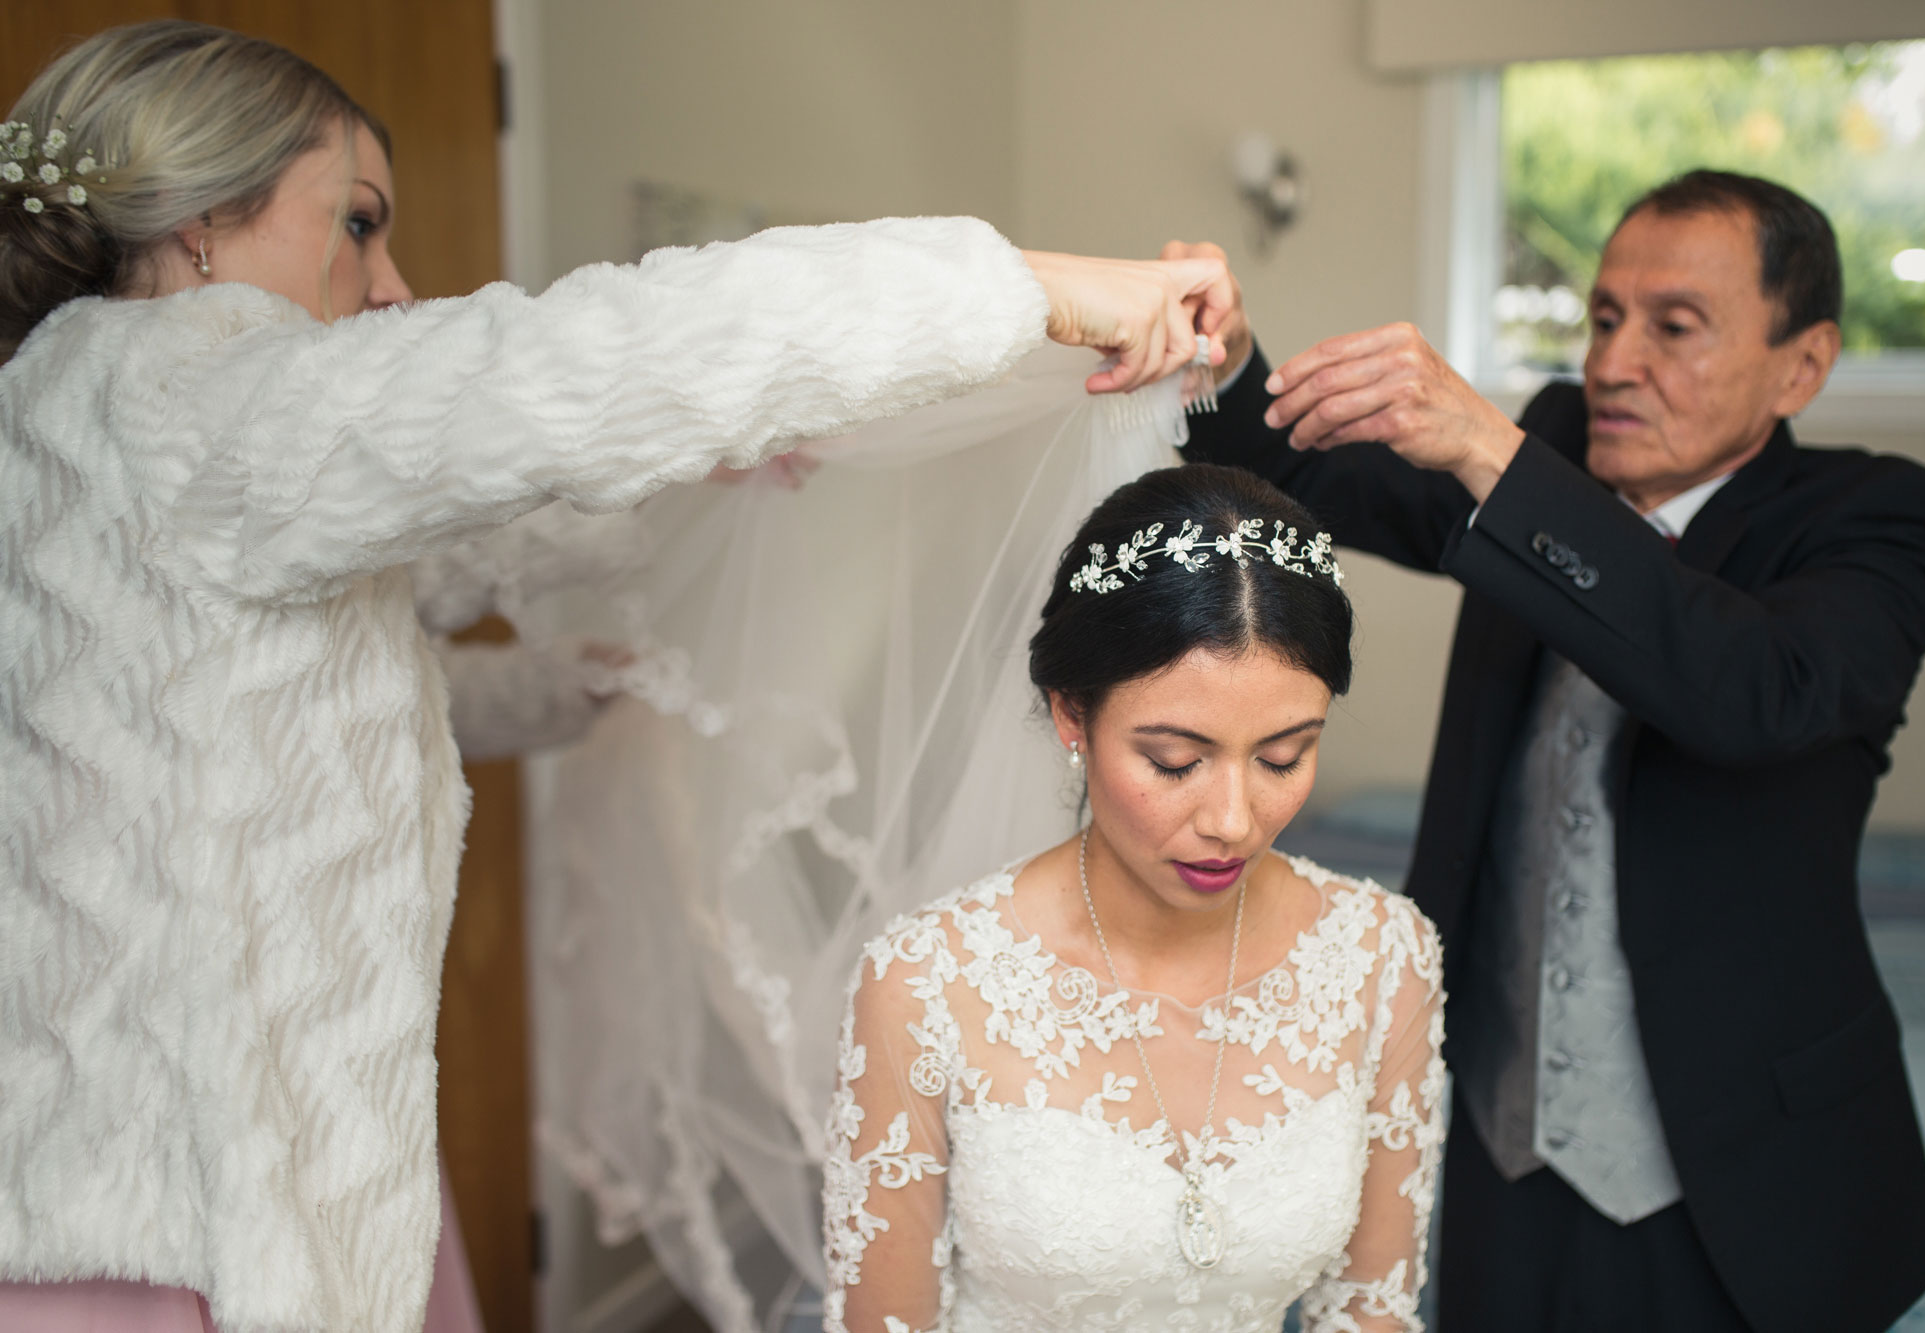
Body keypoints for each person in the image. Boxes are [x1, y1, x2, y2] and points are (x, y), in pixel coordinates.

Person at [0, 19, 1239, 1333]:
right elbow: (604, 350)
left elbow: (260, 700)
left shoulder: (65, 427)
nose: (392, 285)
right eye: (358, 222)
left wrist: (569, 670)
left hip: (193, 1180)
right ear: (202, 223)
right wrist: (1031, 288)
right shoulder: (195, 405)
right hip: (192, 1243)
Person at [1172, 169, 1925, 1333]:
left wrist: (1495, 460)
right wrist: (1229, 359)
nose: (1610, 363)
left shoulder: (1884, 518)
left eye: (1671, 327)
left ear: (1800, 363)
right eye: (1602, 319)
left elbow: (1753, 692)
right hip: (1499, 1131)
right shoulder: (1547, 454)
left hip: (1739, 1166)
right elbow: (1297, 474)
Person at [820, 463, 1445, 1332]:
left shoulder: (1384, 955)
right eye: (1175, 761)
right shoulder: (925, 981)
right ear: (1073, 713)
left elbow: (1372, 1312)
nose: (1232, 820)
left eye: (1283, 756)